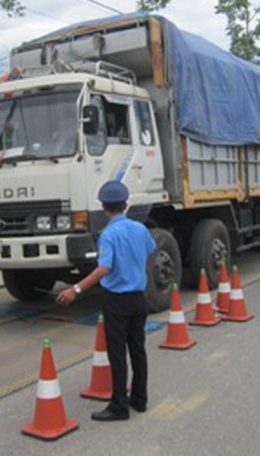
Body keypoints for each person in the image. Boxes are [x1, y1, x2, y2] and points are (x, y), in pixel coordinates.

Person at [57, 180, 156, 421]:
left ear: (103, 207)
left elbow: (104, 268)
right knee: (138, 350)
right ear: (125, 204)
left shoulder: (108, 235)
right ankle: (140, 400)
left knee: (117, 354)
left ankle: (119, 406)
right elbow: (150, 250)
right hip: (139, 298)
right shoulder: (140, 229)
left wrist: (76, 289)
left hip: (117, 301)